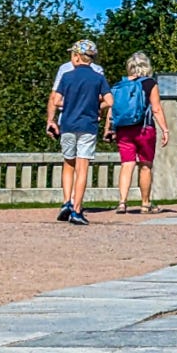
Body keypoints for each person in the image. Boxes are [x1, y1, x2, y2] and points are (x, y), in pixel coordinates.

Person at [46, 40, 113, 226]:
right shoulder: (98, 77)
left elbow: (56, 100)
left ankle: (66, 202)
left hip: (68, 124)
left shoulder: (67, 76)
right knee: (82, 168)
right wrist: (94, 106)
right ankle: (77, 209)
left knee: (68, 163)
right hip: (88, 126)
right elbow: (110, 100)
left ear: (76, 56)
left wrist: (71, 104)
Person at [102, 51, 170, 214]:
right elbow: (156, 108)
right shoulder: (150, 84)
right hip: (144, 129)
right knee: (145, 165)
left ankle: (122, 202)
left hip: (123, 130)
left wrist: (108, 128)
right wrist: (165, 129)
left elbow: (112, 109)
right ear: (146, 66)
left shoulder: (120, 85)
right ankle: (145, 204)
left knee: (126, 164)